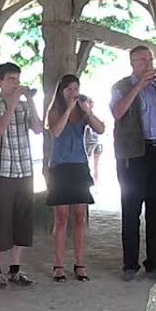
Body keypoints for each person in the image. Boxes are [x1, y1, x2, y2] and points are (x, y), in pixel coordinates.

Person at [110, 46, 156, 281]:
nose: (146, 64)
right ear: (132, 64)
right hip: (132, 155)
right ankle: (129, 264)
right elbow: (118, 113)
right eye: (141, 60)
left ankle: (154, 264)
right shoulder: (121, 86)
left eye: (149, 59)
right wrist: (139, 86)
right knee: (131, 210)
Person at [0, 62, 44, 288]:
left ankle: (15, 268)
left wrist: (32, 102)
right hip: (3, 170)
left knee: (23, 219)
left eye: (17, 79)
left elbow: (38, 128)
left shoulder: (25, 106)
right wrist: (12, 103)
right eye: (10, 79)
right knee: (1, 218)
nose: (15, 83)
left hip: (25, 170)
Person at [45, 75, 105, 282]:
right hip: (60, 168)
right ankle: (58, 265)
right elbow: (56, 131)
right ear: (61, 91)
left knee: (80, 216)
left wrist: (88, 111)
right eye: (69, 89)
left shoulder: (84, 111)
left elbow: (101, 129)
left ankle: (80, 264)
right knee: (61, 217)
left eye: (76, 88)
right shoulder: (54, 111)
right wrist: (69, 109)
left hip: (79, 166)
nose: (73, 92)